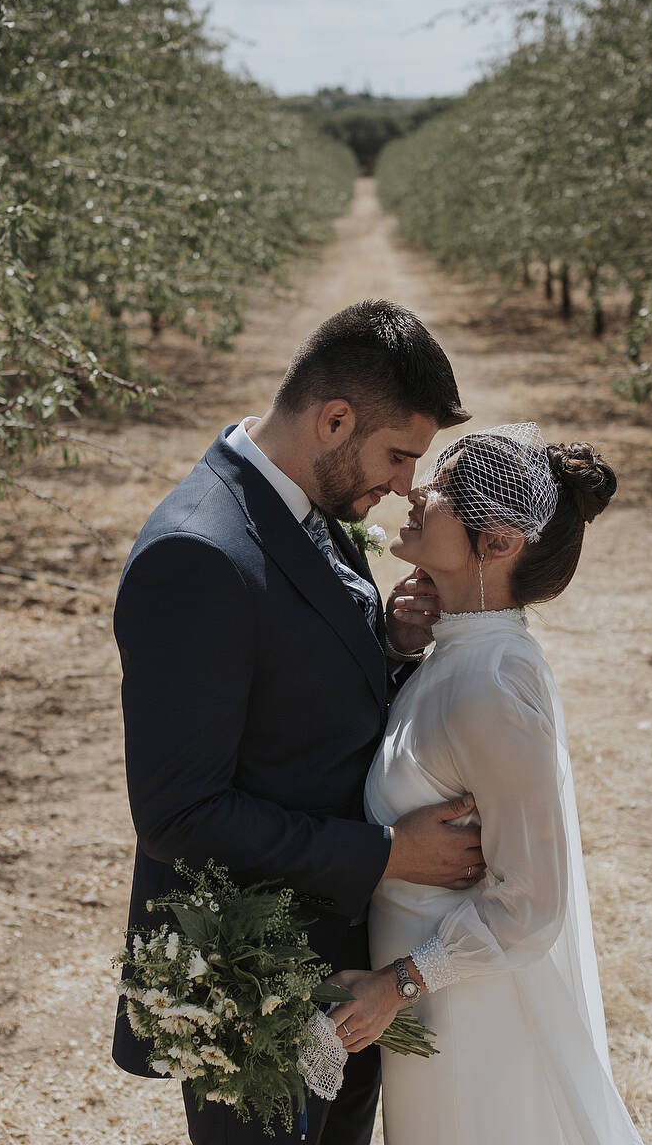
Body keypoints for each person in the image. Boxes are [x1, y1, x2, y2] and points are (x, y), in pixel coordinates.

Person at [112, 300, 487, 1145]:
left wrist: (387, 645)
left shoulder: (303, 498)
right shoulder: (196, 556)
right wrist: (389, 853)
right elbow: (180, 813)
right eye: (398, 456)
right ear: (335, 419)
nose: (402, 486)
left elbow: (294, 689)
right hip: (256, 978)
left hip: (347, 969)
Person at [330, 423, 643, 1144]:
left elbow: (532, 904)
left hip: (473, 1020)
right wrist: (402, 647)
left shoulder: (493, 685)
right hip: (438, 1012)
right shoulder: (457, 655)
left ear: (499, 542)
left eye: (442, 488)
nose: (413, 489)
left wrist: (397, 984)